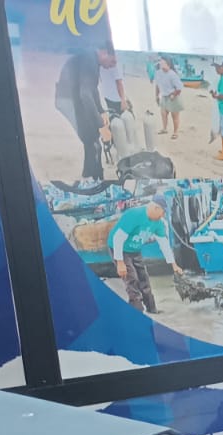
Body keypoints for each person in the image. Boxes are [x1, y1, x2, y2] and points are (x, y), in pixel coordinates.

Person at [109, 194, 184, 315]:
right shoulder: (134, 215)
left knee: (144, 278)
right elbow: (118, 238)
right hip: (119, 248)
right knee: (132, 280)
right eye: (163, 212)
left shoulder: (159, 223)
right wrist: (120, 262)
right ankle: (137, 313)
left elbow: (164, 244)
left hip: (135, 249)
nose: (163, 216)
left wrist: (174, 265)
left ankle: (152, 310)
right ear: (156, 208)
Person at [54, 43, 116, 181]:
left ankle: (91, 176)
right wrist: (101, 126)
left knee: (92, 139)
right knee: (92, 140)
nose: (112, 66)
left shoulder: (92, 59)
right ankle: (92, 178)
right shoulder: (90, 60)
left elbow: (93, 89)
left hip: (73, 98)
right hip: (68, 99)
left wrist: (101, 111)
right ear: (104, 53)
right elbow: (86, 95)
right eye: (112, 61)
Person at [154, 57, 184, 136]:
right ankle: (164, 129)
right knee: (163, 114)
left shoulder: (172, 74)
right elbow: (157, 85)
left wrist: (173, 95)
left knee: (174, 116)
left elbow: (179, 88)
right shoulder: (158, 73)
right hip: (164, 96)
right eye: (160, 62)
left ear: (168, 64)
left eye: (163, 62)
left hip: (173, 96)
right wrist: (156, 96)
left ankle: (175, 132)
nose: (161, 63)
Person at [98, 47, 129, 116]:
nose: (111, 66)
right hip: (112, 98)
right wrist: (123, 99)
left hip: (112, 98)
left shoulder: (101, 63)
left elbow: (119, 83)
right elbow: (119, 83)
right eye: (111, 64)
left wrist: (123, 99)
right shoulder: (103, 63)